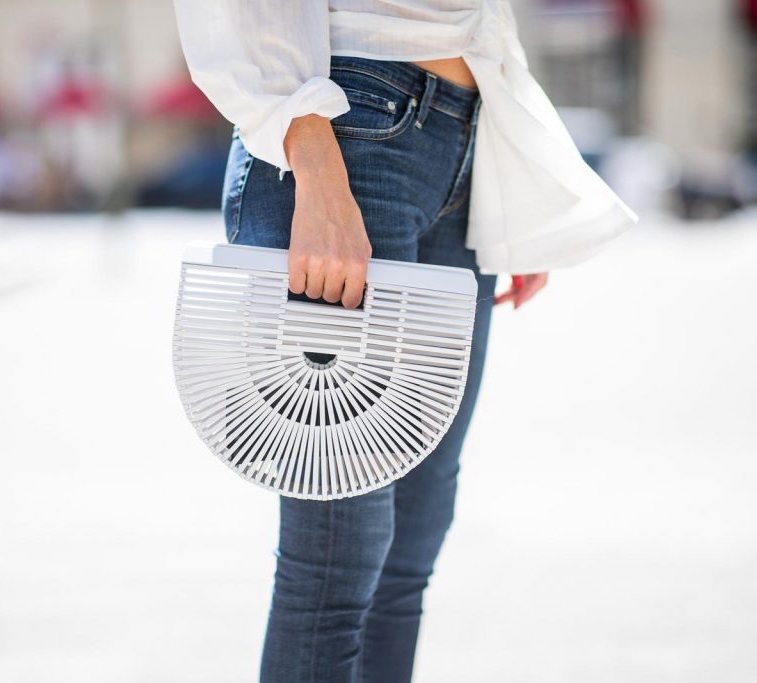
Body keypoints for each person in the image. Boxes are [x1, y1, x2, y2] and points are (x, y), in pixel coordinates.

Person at [174, 3, 636, 681]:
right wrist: (314, 161)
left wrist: (513, 182)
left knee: (409, 548)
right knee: (337, 559)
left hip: (463, 132)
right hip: (348, 133)